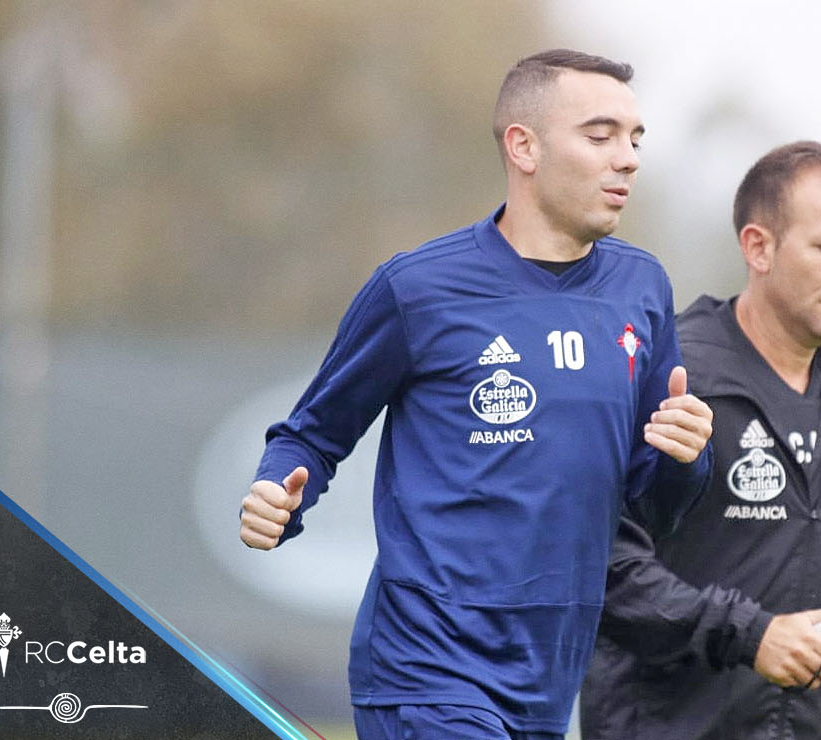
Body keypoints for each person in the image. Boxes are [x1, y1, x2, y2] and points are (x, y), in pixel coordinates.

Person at [237, 49, 713, 740]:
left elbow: (652, 508)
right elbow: (311, 434)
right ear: (524, 145)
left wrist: (683, 456)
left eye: (635, 139)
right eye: (601, 134)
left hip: (549, 678)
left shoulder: (643, 290)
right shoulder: (418, 288)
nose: (629, 158)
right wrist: (278, 493)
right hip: (425, 670)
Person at [581, 141, 821, 739]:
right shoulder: (673, 372)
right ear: (758, 247)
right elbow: (604, 567)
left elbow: (819, 556)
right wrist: (752, 637)